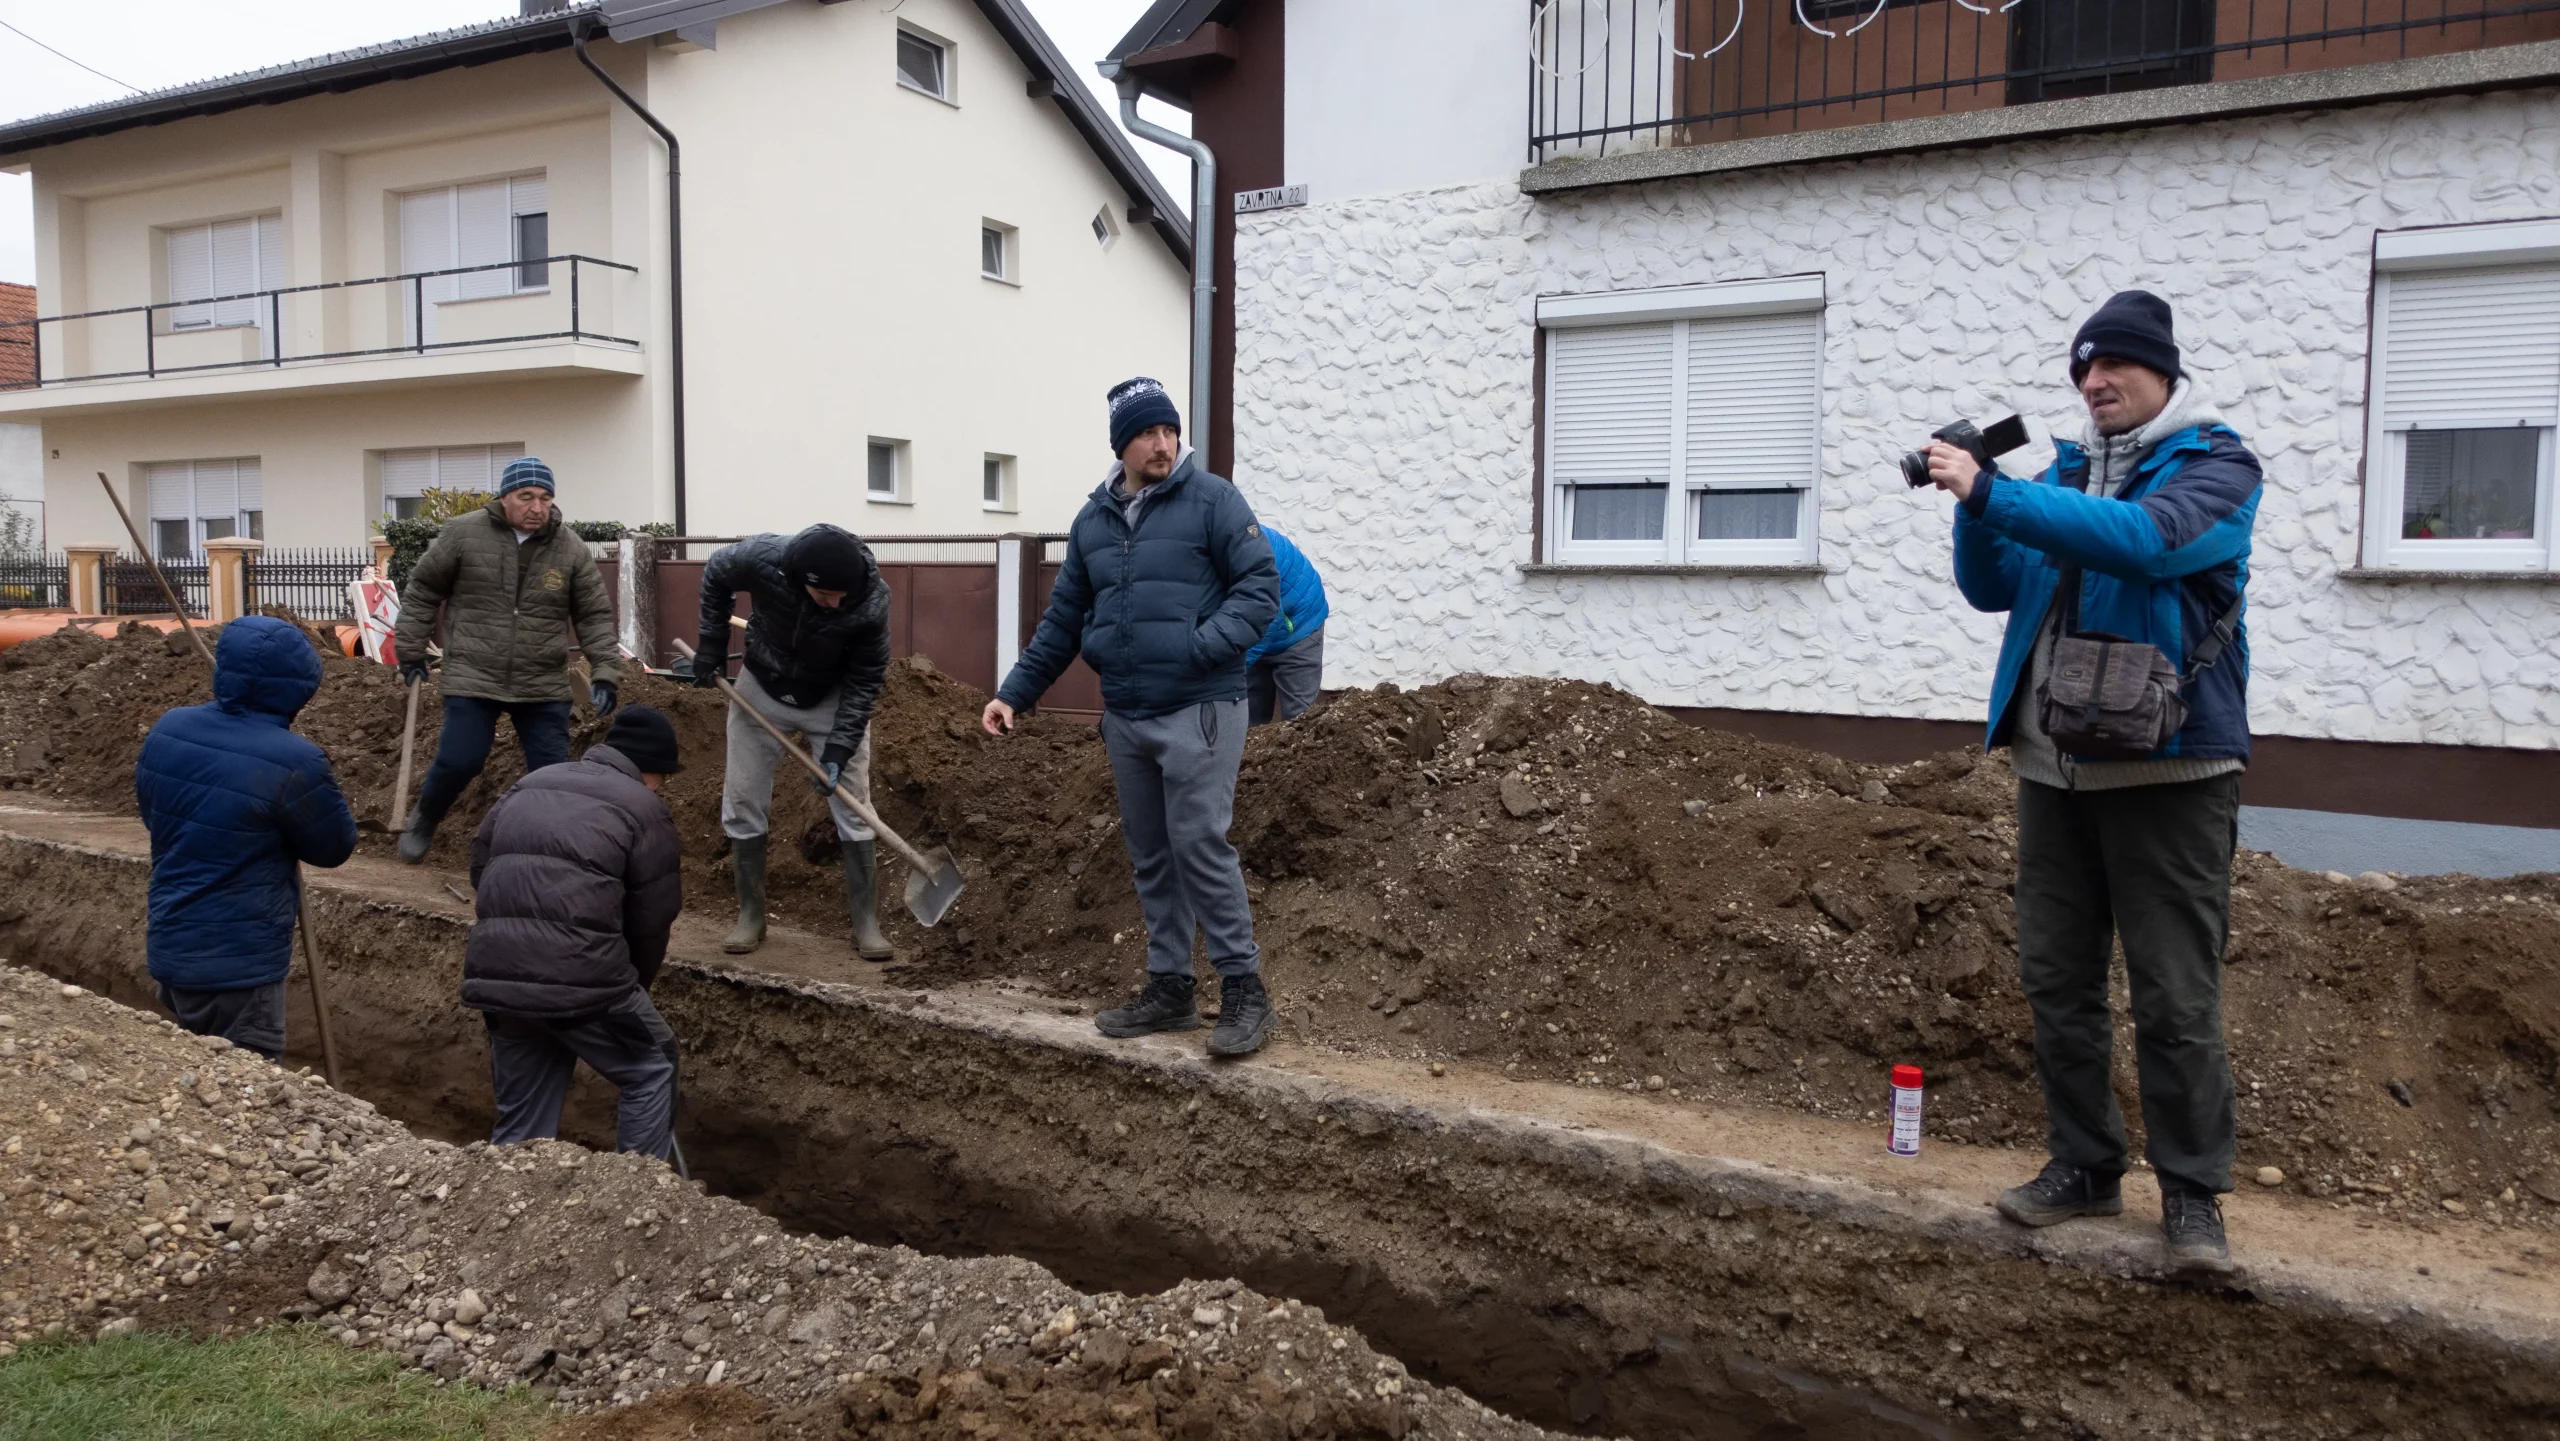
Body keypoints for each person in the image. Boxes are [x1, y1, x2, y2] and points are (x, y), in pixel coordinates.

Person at [1931, 289, 2263, 1276]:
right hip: (2054, 769)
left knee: (2173, 992)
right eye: (2083, 369)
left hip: (2170, 771)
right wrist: (1976, 504)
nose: (2094, 382)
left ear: (2164, 372)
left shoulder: (2216, 469)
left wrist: (1995, 494)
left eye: (2114, 364)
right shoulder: (2066, 473)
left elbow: (2144, 542)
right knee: (2057, 980)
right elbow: (1994, 587)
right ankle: (2083, 1164)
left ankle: (2192, 1191)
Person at [983, 377, 1281, 1056]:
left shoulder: (1213, 501)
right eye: (1148, 433)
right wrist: (1014, 693)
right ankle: (1171, 988)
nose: (1164, 444)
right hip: (1127, 713)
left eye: (1170, 431)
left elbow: (1260, 588)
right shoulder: (1093, 522)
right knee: (1151, 854)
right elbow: (1062, 622)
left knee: (1200, 842)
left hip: (1201, 708)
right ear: (1122, 444)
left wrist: (1198, 647)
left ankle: (1245, 989)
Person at [462, 705, 685, 1160]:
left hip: (497, 977)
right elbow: (653, 917)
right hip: (585, 981)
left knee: (523, 1121)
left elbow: (481, 869)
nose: (660, 786)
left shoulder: (530, 783)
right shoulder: (644, 807)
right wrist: (633, 986)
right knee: (652, 1066)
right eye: (662, 777)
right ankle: (640, 1191)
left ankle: (507, 1190)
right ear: (649, 769)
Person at [135, 615, 359, 1060]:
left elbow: (154, 814)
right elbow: (333, 848)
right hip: (238, 967)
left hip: (173, 948)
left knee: (196, 1075)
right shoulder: (294, 761)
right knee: (247, 1089)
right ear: (298, 689)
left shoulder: (168, 729)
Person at [393, 455, 621, 863]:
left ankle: (542, 853)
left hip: (541, 679)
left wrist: (605, 670)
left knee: (551, 776)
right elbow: (424, 589)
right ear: (504, 497)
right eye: (526, 496)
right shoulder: (463, 534)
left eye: (546, 498)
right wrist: (410, 650)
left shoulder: (569, 548)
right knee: (460, 759)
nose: (537, 507)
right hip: (474, 671)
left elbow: (594, 614)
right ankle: (425, 817)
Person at [690, 524, 895, 960]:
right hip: (762, 685)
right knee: (742, 796)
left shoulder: (871, 602)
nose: (835, 603)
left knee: (854, 805)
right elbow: (717, 573)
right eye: (824, 595)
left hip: (831, 696)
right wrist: (711, 645)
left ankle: (866, 924)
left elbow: (865, 681)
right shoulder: (763, 558)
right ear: (798, 579)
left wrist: (839, 749)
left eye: (842, 595)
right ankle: (751, 915)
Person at [1244, 526, 1327, 726]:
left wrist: (1239, 664)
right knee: (1248, 717)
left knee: (1300, 721)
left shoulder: (1250, 550)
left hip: (1297, 628)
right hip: (1253, 631)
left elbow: (1269, 615)